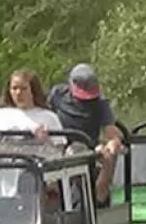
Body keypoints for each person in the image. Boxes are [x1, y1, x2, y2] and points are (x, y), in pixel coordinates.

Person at [47, 64, 124, 203]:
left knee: (106, 157)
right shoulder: (57, 94)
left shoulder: (100, 104)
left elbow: (111, 131)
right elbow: (44, 114)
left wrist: (113, 142)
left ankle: (99, 197)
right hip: (59, 150)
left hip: (87, 150)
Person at [0, 68, 64, 141]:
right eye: (14, 88)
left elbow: (60, 146)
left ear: (33, 90)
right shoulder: (0, 115)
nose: (18, 93)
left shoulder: (49, 117)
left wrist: (45, 140)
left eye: (24, 88)